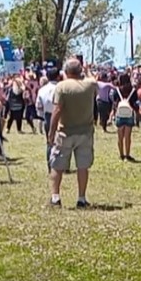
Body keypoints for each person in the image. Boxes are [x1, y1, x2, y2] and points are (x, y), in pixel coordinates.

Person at [47, 59, 98, 208]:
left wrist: (51, 132)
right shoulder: (89, 85)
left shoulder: (61, 87)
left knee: (57, 165)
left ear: (66, 71)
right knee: (82, 167)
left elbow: (57, 110)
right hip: (85, 132)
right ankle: (81, 198)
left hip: (65, 132)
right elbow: (93, 79)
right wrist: (87, 70)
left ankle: (55, 197)